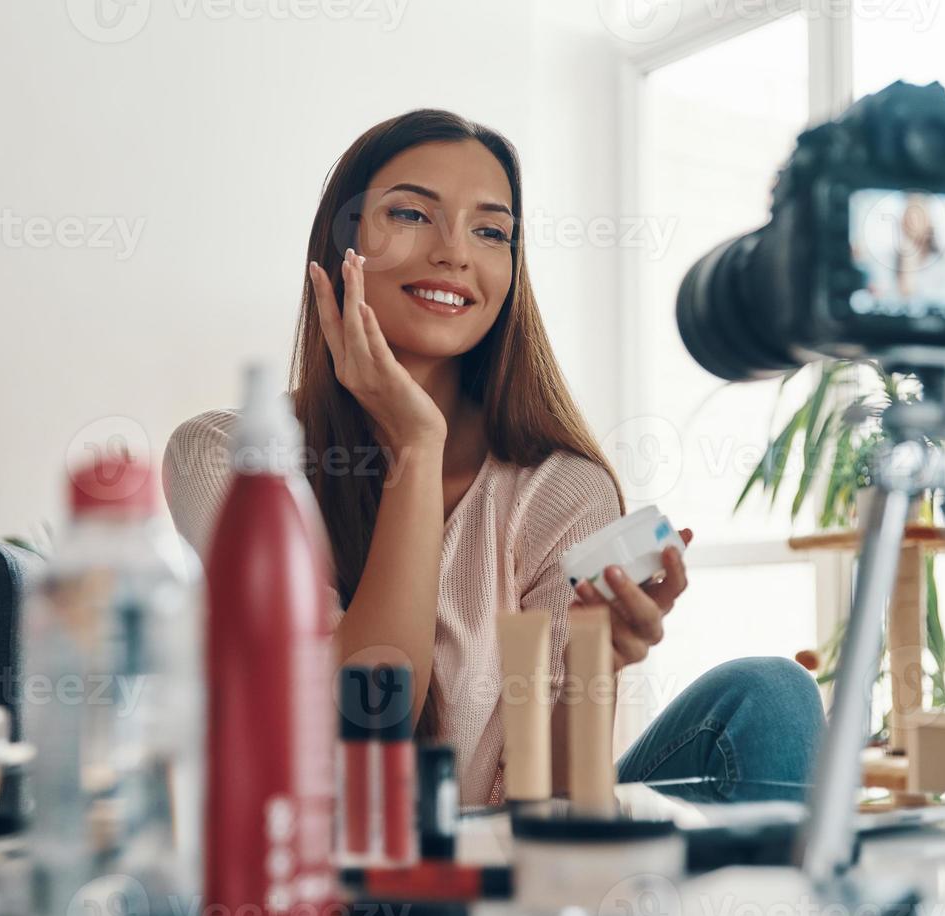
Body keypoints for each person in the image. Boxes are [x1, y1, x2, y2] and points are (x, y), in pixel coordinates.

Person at [164, 109, 824, 806]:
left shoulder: (560, 486)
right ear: (340, 245)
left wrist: (596, 659)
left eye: (490, 231)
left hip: (515, 865)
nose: (455, 252)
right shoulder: (226, 458)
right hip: (326, 857)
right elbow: (357, 724)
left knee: (772, 695)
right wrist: (417, 448)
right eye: (413, 214)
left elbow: (558, 806)